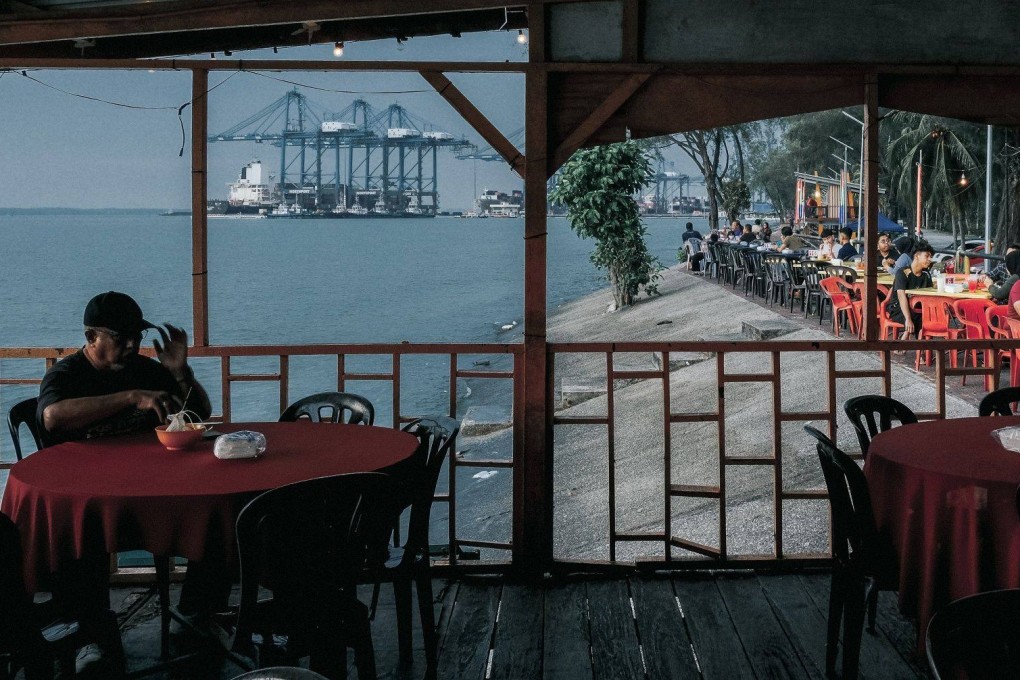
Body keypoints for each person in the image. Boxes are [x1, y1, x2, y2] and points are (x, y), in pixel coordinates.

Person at [36, 291, 223, 675]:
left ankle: (193, 617)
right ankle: (93, 636)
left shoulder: (144, 368)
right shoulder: (67, 375)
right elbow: (52, 417)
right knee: (80, 530)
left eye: (136, 336)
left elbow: (200, 412)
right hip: (95, 497)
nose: (133, 345)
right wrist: (130, 397)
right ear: (91, 339)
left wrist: (179, 372)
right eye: (120, 338)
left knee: (219, 514)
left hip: (153, 491)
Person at [886, 240, 935, 337]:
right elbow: (901, 296)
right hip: (898, 308)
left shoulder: (926, 274)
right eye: (927, 256)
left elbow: (929, 294)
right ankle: (908, 341)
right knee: (918, 318)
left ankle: (908, 339)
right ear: (917, 256)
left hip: (916, 308)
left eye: (931, 257)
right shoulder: (902, 272)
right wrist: (908, 318)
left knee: (930, 318)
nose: (930, 259)